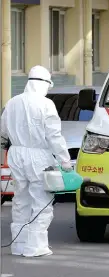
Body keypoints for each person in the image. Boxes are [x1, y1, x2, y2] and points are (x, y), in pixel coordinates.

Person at [0, 65, 72, 257]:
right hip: (38, 157)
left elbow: (3, 132)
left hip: (16, 155)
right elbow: (54, 136)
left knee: (20, 200)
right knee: (41, 201)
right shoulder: (46, 104)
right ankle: (35, 247)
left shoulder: (13, 102)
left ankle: (19, 244)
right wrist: (65, 161)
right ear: (45, 83)